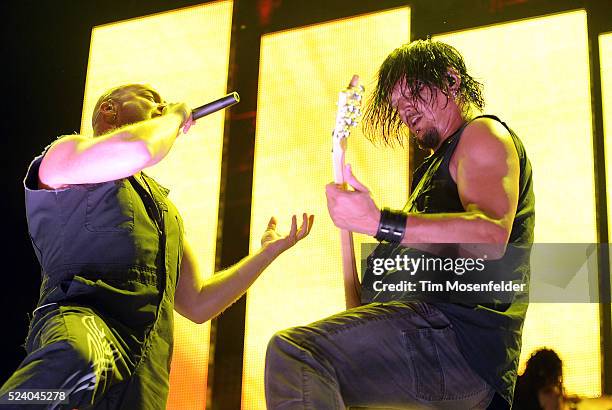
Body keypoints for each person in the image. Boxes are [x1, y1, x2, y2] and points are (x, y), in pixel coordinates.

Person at [0, 84, 314, 409]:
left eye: (166, 103)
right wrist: (177, 115)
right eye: (152, 99)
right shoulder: (66, 155)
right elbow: (141, 148)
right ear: (109, 109)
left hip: (147, 368)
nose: (163, 105)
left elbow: (198, 302)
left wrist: (265, 255)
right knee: (64, 373)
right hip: (90, 323)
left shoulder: (166, 212)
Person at [265, 39, 534, 409]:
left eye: (413, 92)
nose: (405, 110)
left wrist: (379, 221)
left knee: (294, 353)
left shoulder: (483, 134)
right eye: (396, 104)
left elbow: (489, 237)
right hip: (429, 353)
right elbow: (358, 311)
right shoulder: (427, 181)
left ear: (452, 81)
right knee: (326, 382)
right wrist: (348, 225)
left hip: (453, 345)